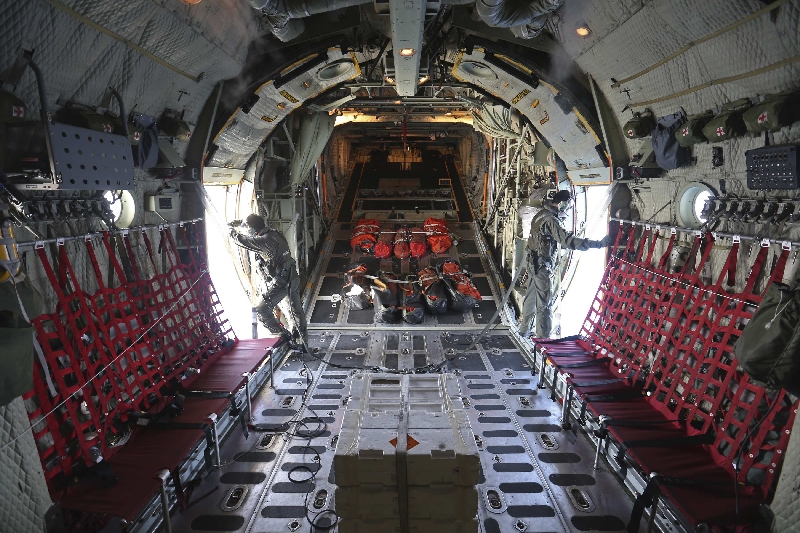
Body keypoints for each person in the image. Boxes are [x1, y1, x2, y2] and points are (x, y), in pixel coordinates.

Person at [519, 190, 612, 338]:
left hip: (533, 264)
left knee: (530, 298)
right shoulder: (551, 221)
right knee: (544, 304)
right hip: (542, 268)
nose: (567, 210)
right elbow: (569, 241)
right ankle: (544, 340)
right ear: (562, 204)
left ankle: (524, 330)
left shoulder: (540, 214)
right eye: (568, 207)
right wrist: (599, 244)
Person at [229, 213, 307, 346]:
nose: (247, 230)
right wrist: (241, 222)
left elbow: (241, 240)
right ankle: (302, 341)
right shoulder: (274, 233)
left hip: (282, 282)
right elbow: (252, 225)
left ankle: (282, 336)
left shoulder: (264, 241)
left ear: (253, 229)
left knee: (260, 309)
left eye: (248, 228)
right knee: (296, 311)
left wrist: (230, 229)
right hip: (292, 277)